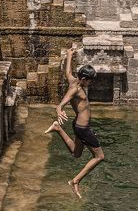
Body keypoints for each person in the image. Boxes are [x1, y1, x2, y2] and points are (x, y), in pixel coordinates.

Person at [45, 45, 105, 199]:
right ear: (84, 79)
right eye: (90, 81)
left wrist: (69, 55)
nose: (90, 83)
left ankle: (58, 128)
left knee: (76, 153)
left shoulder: (73, 80)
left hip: (78, 126)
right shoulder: (76, 89)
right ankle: (75, 181)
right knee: (99, 157)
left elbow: (68, 72)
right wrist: (59, 108)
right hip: (83, 129)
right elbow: (63, 101)